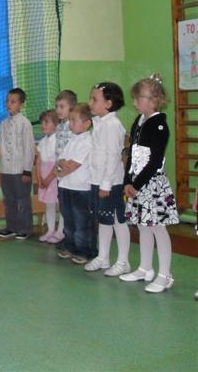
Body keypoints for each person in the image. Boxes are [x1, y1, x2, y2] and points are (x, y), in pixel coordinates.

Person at [119, 74, 179, 293]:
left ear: (154, 100)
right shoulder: (139, 121)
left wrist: (137, 184)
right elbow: (131, 153)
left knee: (157, 228)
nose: (135, 102)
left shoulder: (159, 125)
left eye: (138, 98)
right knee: (142, 226)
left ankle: (165, 274)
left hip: (151, 185)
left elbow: (154, 161)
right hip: (136, 183)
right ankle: (145, 268)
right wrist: (128, 180)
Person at [84, 82, 131, 276]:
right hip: (98, 180)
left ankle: (123, 262)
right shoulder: (99, 123)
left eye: (94, 99)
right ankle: (103, 257)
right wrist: (93, 180)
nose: (90, 103)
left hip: (111, 183)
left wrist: (106, 184)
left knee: (118, 220)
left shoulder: (112, 125)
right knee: (104, 220)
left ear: (108, 104)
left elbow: (113, 156)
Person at [56, 103, 94, 264]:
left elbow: (73, 165)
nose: (70, 124)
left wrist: (61, 171)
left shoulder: (88, 141)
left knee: (81, 222)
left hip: (80, 188)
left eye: (74, 120)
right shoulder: (72, 139)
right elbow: (61, 159)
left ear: (87, 124)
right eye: (70, 120)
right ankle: (70, 247)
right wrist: (62, 166)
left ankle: (84, 252)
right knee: (68, 220)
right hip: (65, 186)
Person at [0, 88, 35, 240]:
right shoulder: (2, 124)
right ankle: (11, 227)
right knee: (9, 200)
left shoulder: (25, 124)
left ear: (21, 104)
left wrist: (27, 170)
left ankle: (25, 228)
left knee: (23, 200)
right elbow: (2, 146)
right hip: (6, 170)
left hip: (20, 170)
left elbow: (29, 147)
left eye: (13, 101)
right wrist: (2, 167)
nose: (9, 104)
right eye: (7, 101)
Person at [47, 90, 78, 244]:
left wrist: (65, 168)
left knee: (70, 206)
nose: (58, 110)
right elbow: (58, 151)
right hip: (61, 172)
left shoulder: (72, 127)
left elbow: (72, 151)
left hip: (70, 172)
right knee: (63, 204)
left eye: (62, 106)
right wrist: (57, 169)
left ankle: (66, 232)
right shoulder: (60, 127)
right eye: (56, 106)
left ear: (71, 108)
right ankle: (62, 231)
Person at [36, 109, 59, 242]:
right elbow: (39, 161)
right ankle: (50, 230)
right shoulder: (42, 142)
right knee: (49, 205)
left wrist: (49, 179)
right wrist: (39, 178)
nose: (43, 125)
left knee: (60, 205)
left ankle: (61, 231)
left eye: (46, 122)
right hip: (44, 176)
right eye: (42, 122)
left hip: (54, 177)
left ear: (56, 124)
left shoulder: (58, 141)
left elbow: (58, 163)